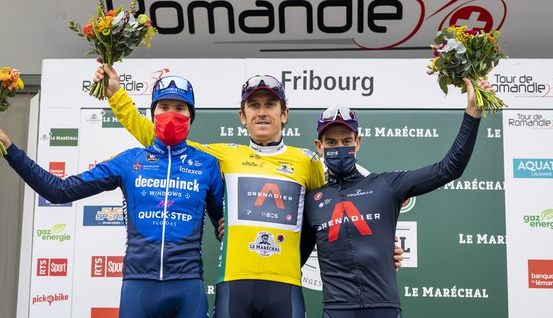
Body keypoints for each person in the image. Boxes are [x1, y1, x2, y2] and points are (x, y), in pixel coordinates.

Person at [94, 66, 403, 318]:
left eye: (270, 104)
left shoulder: (306, 161)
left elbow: (348, 199)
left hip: (286, 287)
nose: (262, 112)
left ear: (284, 113)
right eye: (253, 105)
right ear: (242, 116)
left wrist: (382, 242)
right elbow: (156, 136)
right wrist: (116, 96)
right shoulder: (222, 156)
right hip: (234, 286)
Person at [0, 76, 224, 318]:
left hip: (188, 286)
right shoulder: (130, 161)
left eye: (180, 108)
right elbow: (59, 190)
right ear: (153, 114)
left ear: (190, 117)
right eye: (164, 107)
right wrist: (10, 149)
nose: (171, 114)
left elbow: (223, 227)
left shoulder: (208, 165)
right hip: (138, 288)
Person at [301, 77, 493, 318]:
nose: (339, 147)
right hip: (337, 311)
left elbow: (448, 169)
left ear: (358, 142)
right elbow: (291, 262)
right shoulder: (312, 201)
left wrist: (472, 115)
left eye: (346, 141)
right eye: (331, 142)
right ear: (319, 146)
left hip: (385, 309)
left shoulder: (386, 185)